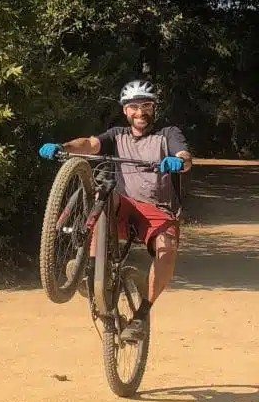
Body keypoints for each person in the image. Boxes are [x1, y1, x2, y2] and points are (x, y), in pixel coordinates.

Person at [38, 79, 192, 342]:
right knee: (104, 196)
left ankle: (141, 315)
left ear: (154, 108)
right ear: (125, 110)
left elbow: (185, 156)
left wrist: (178, 161)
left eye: (146, 106)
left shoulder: (168, 134)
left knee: (166, 250)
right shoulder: (116, 135)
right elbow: (89, 144)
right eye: (133, 107)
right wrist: (63, 148)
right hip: (125, 203)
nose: (140, 112)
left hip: (158, 208)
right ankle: (91, 267)